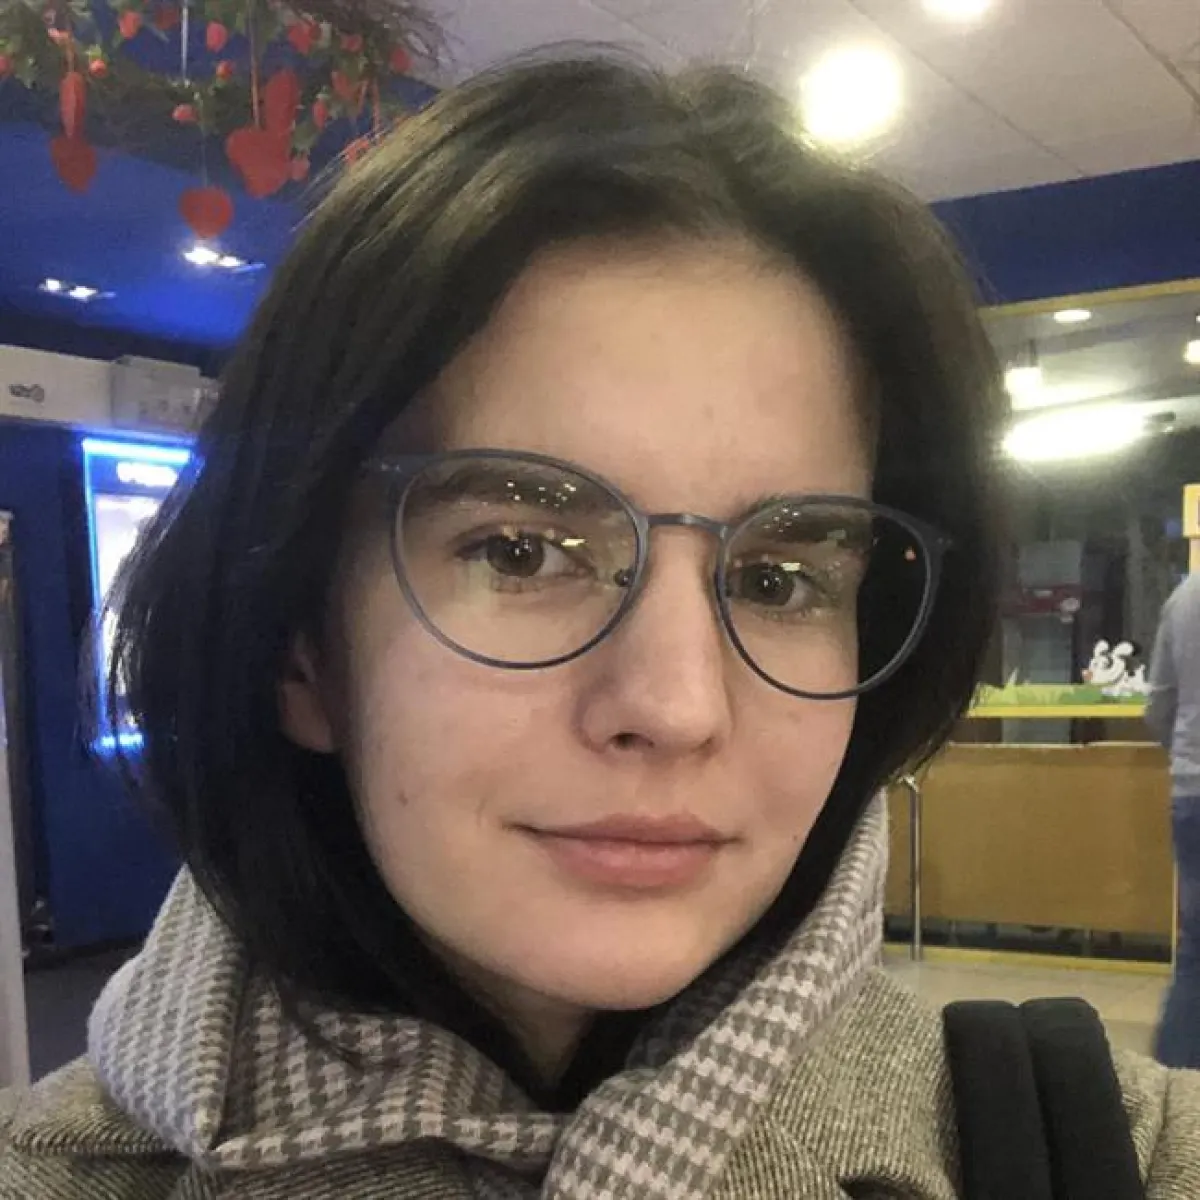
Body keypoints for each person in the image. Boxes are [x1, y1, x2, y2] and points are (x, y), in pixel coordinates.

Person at [2, 53, 1197, 1199]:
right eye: (521, 551)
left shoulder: (1093, 1151)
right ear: (301, 648)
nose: (676, 706)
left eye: (780, 579)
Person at [1146, 570, 1200, 1071]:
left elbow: (1159, 702)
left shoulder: (1185, 597)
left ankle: (1176, 1083)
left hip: (1192, 792)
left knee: (1196, 952)